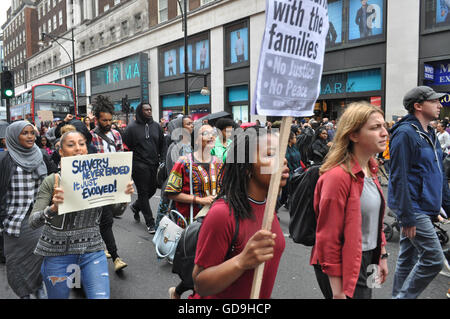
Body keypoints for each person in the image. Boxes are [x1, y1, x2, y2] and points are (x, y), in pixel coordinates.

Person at [29, 131, 135, 299]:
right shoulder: (52, 181)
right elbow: (33, 222)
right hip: (57, 255)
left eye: (82, 144)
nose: (78, 148)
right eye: (71, 145)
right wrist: (52, 209)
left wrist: (123, 197)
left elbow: (114, 212)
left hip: (92, 250)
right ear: (61, 152)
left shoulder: (101, 177)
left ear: (87, 149)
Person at [190, 125, 288, 299]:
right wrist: (241, 261)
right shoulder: (222, 214)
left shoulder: (268, 205)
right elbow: (200, 284)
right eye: (270, 154)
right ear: (247, 167)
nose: (283, 161)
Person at [311, 102, 389, 299]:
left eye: (384, 126)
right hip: (347, 261)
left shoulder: (371, 168)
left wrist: (383, 256)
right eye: (375, 128)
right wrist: (337, 292)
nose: (384, 133)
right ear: (353, 135)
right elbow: (328, 237)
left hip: (371, 255)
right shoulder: (337, 177)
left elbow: (375, 222)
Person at [388, 86, 450, 299]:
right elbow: (399, 178)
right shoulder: (405, 134)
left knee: (407, 258)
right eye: (434, 101)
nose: (440, 105)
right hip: (413, 209)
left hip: (424, 206)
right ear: (418, 106)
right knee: (433, 259)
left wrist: (442, 206)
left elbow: (437, 173)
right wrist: (407, 216)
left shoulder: (430, 133)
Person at [166, 123, 224, 299]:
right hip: (191, 223)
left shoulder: (219, 163)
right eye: (205, 133)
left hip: (214, 221)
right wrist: (199, 200)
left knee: (210, 263)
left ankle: (178, 292)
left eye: (213, 133)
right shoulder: (183, 162)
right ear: (196, 139)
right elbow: (170, 192)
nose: (211, 136)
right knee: (195, 263)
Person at [0, 121, 53, 299]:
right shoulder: (4, 161)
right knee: (16, 264)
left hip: (40, 220)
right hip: (14, 224)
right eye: (25, 133)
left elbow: (55, 181)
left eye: (32, 132)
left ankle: (39, 290)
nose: (31, 136)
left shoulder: (43, 156)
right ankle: (24, 294)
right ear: (14, 137)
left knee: (40, 262)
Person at [90, 95, 128, 272]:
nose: (108, 123)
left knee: (106, 219)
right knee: (106, 220)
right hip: (98, 186)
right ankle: (116, 257)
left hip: (114, 185)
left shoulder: (116, 135)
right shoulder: (90, 137)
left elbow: (122, 158)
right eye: (104, 120)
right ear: (96, 119)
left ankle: (102, 244)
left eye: (110, 120)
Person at [123, 103, 165, 234]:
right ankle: (150, 222)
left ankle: (136, 206)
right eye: (146, 110)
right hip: (138, 164)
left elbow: (162, 144)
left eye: (150, 109)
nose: (149, 112)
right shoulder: (131, 128)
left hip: (154, 164)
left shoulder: (156, 126)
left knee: (152, 190)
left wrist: (162, 160)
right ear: (140, 111)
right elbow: (125, 147)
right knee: (143, 192)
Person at [155, 115, 194, 230]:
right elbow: (173, 171)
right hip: (174, 186)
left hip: (182, 186)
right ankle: (162, 237)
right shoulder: (176, 146)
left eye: (192, 123)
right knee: (168, 212)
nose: (192, 126)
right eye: (188, 124)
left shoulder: (189, 145)